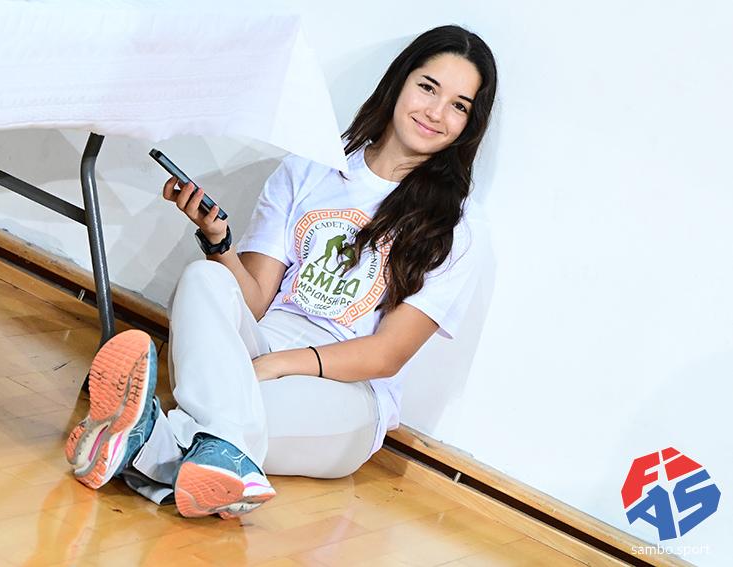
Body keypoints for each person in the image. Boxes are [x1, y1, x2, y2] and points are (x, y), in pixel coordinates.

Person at [65, 24, 498, 519]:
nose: (436, 113)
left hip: (346, 392)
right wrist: (219, 241)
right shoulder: (310, 169)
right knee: (206, 279)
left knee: (237, 409)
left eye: (459, 106)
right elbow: (253, 302)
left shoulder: (457, 227)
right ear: (400, 81)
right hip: (260, 346)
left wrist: (278, 366)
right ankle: (198, 460)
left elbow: (385, 354)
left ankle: (146, 440)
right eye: (428, 87)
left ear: (470, 124)